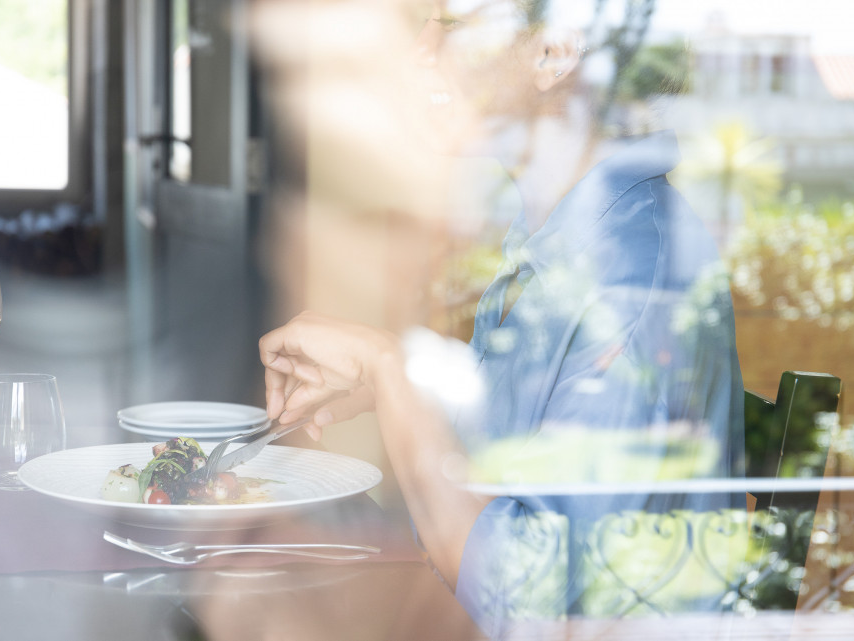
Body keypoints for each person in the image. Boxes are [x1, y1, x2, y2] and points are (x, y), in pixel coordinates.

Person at [258, 1, 744, 636]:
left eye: (454, 25)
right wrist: (397, 378)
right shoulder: (568, 230)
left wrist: (388, 368)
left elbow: (528, 602)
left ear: (555, 53)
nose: (420, 52)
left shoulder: (631, 283)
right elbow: (520, 444)